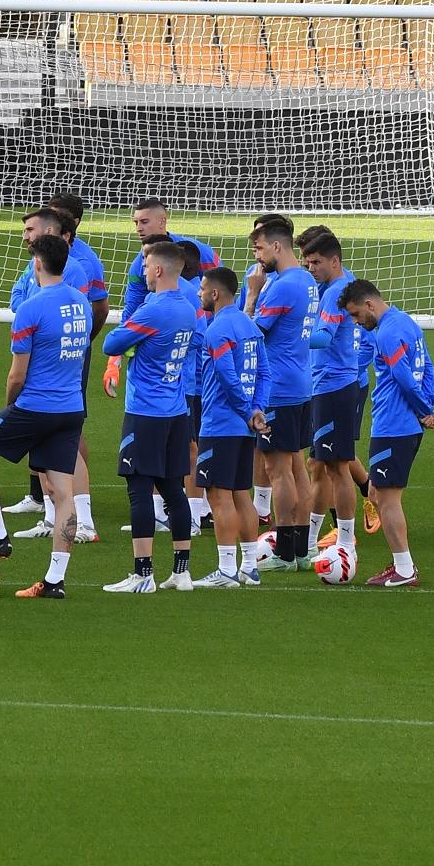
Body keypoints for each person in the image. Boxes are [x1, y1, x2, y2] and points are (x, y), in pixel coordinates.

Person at [0, 236, 90, 598]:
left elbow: (17, 374)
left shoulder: (31, 308)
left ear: (37, 264)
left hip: (34, 407)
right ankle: (54, 582)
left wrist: (11, 405)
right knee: (64, 494)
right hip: (71, 408)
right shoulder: (82, 303)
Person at [97, 239, 199, 592]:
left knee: (140, 488)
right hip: (176, 410)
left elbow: (112, 344)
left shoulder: (152, 309)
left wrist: (134, 342)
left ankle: (142, 575)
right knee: (173, 489)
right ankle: (182, 572)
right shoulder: (188, 307)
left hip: (145, 412)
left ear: (158, 269)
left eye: (144, 265)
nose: (142, 271)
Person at [5, 203, 106, 540]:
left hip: (55, 364)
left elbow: (68, 315)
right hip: (42, 359)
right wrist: (32, 310)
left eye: (30, 230)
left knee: (67, 441)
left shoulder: (74, 269)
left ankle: (85, 519)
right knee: (48, 444)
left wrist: (35, 313)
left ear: (48, 232)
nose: (25, 237)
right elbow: (17, 296)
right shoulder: (35, 268)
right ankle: (51, 519)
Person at [344, 279, 434, 587]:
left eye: (357, 315)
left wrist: (424, 410)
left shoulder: (387, 333)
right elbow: (428, 368)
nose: (357, 322)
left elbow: (402, 376)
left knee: (386, 499)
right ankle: (402, 564)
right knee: (375, 492)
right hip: (402, 424)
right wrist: (426, 407)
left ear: (370, 305)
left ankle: (404, 568)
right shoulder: (407, 324)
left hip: (394, 426)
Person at [247, 215, 318, 573]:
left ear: (276, 246)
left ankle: (286, 552)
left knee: (278, 470)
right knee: (295, 467)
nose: (257, 257)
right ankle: (302, 551)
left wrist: (252, 293)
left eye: (259, 248)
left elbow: (250, 332)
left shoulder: (280, 287)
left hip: (278, 389)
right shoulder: (305, 280)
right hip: (300, 383)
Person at [189, 266, 264, 587]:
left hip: (220, 424)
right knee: (241, 495)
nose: (199, 293)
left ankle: (226, 570)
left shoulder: (217, 331)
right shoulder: (250, 327)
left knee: (218, 496)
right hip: (245, 427)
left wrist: (248, 411)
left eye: (202, 289)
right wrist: (258, 410)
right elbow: (265, 374)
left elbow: (226, 376)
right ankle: (249, 567)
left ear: (215, 294)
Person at [298, 225, 369, 566]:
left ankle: (345, 542)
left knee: (337, 466)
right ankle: (312, 541)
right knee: (319, 464)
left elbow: (323, 338)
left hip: (333, 385)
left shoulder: (334, 293)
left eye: (314, 262)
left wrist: (290, 341)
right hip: (333, 383)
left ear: (334, 260)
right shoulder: (342, 284)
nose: (310, 269)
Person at [123, 199, 223, 317]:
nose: (138, 228)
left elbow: (221, 291)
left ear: (162, 221)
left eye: (144, 222)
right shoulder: (137, 267)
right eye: (136, 223)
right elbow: (132, 308)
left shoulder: (199, 251)